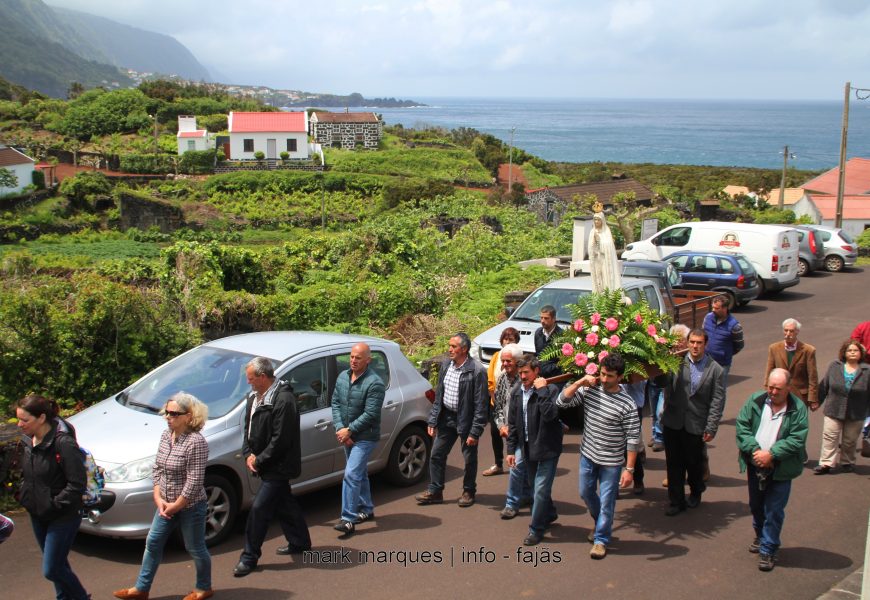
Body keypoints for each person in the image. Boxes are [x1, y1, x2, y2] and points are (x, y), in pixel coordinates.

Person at [114, 393, 213, 600]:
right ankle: (141, 589)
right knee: (153, 542)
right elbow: (158, 468)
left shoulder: (196, 442)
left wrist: (177, 505)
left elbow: (194, 481)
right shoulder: (165, 435)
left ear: (188, 416)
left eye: (174, 414)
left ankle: (204, 588)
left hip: (190, 506)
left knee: (195, 548)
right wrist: (158, 499)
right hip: (165, 505)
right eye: (166, 412)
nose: (168, 417)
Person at [556, 353, 640, 560]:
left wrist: (629, 469)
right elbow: (561, 401)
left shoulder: (627, 404)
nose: (604, 379)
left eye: (609, 376)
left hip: (611, 462)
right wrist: (580, 382)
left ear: (620, 377)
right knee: (585, 492)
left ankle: (601, 539)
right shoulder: (590, 390)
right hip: (588, 454)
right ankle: (600, 519)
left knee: (608, 500)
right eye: (602, 374)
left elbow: (633, 438)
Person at [234, 357, 311, 577]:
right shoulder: (254, 398)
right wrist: (248, 454)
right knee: (284, 502)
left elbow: (281, 439)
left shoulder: (284, 400)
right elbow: (248, 429)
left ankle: (249, 557)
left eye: (250, 379)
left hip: (279, 465)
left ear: (262, 377)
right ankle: (300, 541)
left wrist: (260, 459)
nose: (248, 383)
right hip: (264, 462)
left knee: (259, 509)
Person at [16, 394, 89, 600]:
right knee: (59, 565)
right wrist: (25, 496)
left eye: (24, 420)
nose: (20, 424)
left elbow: (77, 484)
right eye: (18, 419)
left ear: (41, 418)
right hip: (38, 513)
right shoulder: (27, 440)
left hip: (62, 515)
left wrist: (54, 505)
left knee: (52, 569)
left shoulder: (63, 443)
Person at [735, 368, 808, 572]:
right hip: (755, 464)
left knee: (774, 510)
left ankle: (769, 548)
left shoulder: (798, 408)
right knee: (756, 506)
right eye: (770, 387)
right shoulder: (755, 401)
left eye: (777, 388)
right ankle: (760, 534)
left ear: (788, 388)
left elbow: (797, 438)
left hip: (780, 468)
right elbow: (742, 426)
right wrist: (755, 451)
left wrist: (772, 454)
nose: (772, 392)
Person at [416, 333, 488, 507]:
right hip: (447, 417)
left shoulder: (477, 371)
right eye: (449, 346)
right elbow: (439, 394)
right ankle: (435, 491)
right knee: (436, 455)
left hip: (467, 420)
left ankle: (469, 491)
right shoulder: (447, 365)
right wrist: (433, 420)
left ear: (464, 349)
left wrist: (475, 431)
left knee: (469, 458)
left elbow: (481, 405)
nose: (449, 349)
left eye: (454, 347)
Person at [661, 328, 726, 515]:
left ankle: (696, 490)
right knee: (674, 463)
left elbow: (717, 401)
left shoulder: (715, 370)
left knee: (694, 463)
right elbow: (662, 382)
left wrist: (711, 427)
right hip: (673, 421)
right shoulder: (677, 362)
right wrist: (661, 363)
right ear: (687, 343)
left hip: (696, 423)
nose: (695, 346)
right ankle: (676, 501)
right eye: (692, 342)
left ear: (705, 344)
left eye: (699, 343)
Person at [506, 357, 562, 546]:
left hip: (548, 449)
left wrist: (542, 391)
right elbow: (513, 424)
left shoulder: (551, 390)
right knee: (536, 488)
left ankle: (536, 529)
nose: (522, 376)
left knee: (539, 490)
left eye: (526, 373)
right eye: (520, 373)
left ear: (536, 371)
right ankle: (550, 513)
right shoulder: (517, 393)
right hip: (528, 448)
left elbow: (550, 415)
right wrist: (511, 450)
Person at [330, 342, 386, 535]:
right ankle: (367, 508)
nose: (353, 361)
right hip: (347, 434)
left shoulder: (375, 383)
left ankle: (348, 519)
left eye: (358, 358)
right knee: (359, 473)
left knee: (351, 474)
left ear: (368, 360)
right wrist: (340, 428)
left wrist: (350, 431)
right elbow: (335, 403)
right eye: (352, 357)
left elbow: (371, 414)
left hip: (365, 437)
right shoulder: (342, 377)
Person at [813, 340, 870, 474]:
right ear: (844, 353)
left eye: (855, 350)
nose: (852, 353)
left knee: (850, 440)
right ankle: (826, 463)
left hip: (857, 412)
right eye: (849, 350)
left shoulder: (867, 370)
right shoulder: (835, 366)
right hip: (834, 408)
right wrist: (817, 401)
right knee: (829, 436)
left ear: (860, 353)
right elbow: (824, 385)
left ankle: (847, 462)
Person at [493, 343, 532, 519]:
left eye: (508, 361)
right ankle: (524, 496)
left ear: (517, 361)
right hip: (510, 431)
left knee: (517, 465)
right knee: (519, 464)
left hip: (526, 430)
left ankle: (512, 503)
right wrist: (501, 425)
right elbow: (498, 406)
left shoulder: (527, 379)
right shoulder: (502, 378)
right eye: (503, 361)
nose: (505, 364)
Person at [483, 327, 521, 477]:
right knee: (496, 432)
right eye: (505, 339)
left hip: (514, 410)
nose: (507, 342)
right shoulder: (496, 357)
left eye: (510, 340)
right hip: (498, 403)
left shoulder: (521, 364)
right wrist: (496, 401)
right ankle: (498, 464)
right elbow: (491, 381)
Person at [764, 318, 819, 410]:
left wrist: (813, 399)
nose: (788, 334)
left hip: (800, 397)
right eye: (786, 330)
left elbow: (812, 377)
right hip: (779, 394)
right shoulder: (774, 348)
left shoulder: (808, 350)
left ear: (797, 332)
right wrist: (766, 392)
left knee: (798, 423)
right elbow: (769, 372)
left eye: (791, 331)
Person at [702, 295, 744, 384]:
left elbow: (739, 346)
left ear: (725, 308)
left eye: (716, 308)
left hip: (722, 365)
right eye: (713, 307)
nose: (713, 310)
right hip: (705, 362)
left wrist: (724, 353)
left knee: (719, 392)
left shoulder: (735, 326)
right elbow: (703, 336)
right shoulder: (708, 318)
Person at [587, 206, 622, 293]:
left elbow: (609, 246)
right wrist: (595, 243)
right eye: (595, 219)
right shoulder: (592, 232)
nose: (596, 222)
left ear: (602, 220)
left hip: (606, 261)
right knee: (598, 280)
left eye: (598, 220)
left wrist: (600, 242)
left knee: (607, 280)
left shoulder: (607, 231)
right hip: (597, 261)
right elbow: (590, 249)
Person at [534, 306, 563, 378]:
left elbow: (562, 361)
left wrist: (549, 369)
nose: (542, 321)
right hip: (540, 376)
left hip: (555, 377)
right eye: (541, 318)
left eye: (546, 318)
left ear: (554, 319)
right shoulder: (538, 333)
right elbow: (538, 355)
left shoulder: (562, 336)